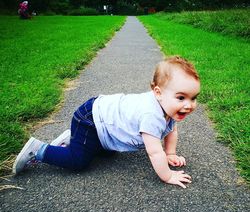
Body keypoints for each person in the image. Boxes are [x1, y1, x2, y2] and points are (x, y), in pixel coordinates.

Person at [13, 56, 201, 189]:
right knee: (78, 161)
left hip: (102, 121)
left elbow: (171, 131)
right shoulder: (151, 115)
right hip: (89, 119)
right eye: (181, 97)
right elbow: (153, 151)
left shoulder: (168, 109)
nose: (189, 105)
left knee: (109, 153)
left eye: (193, 98)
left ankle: (74, 139)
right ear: (158, 93)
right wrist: (167, 175)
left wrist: (171, 153)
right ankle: (38, 150)